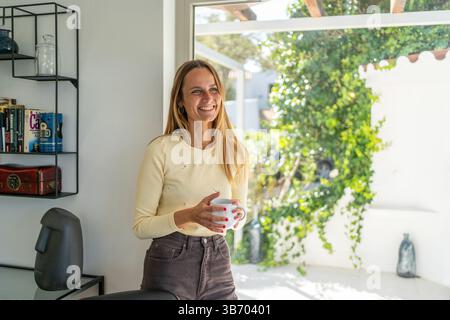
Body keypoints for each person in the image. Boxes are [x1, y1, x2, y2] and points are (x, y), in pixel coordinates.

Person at [133, 59, 249, 300]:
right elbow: (141, 226)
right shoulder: (161, 150)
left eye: (213, 89)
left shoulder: (234, 149)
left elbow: (240, 215)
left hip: (218, 260)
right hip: (171, 261)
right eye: (197, 91)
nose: (208, 98)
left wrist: (239, 216)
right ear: (181, 101)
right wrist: (190, 215)